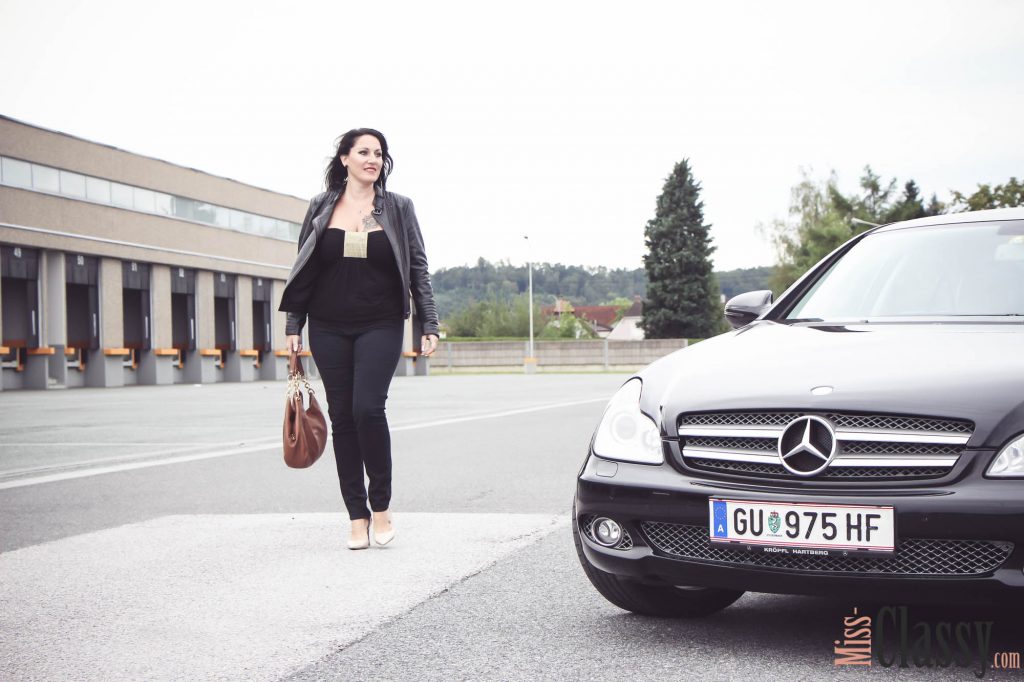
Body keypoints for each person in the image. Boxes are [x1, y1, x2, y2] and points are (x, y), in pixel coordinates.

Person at [279, 128, 439, 550]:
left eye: (379, 154)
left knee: (368, 409)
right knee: (343, 418)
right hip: (328, 325)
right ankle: (356, 516)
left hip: (381, 323)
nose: (373, 159)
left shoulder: (398, 208)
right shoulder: (321, 205)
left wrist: (429, 324)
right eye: (364, 152)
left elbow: (418, 268)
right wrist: (294, 326)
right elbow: (305, 268)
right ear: (345, 158)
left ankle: (381, 506)